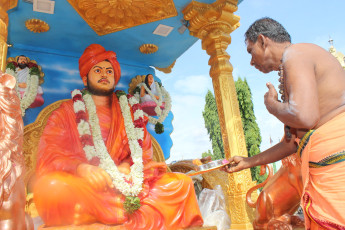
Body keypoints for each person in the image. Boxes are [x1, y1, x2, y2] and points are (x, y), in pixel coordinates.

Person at [33, 44, 203, 229]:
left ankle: (104, 217)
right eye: (97, 70)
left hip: (130, 187)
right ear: (85, 78)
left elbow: (144, 153)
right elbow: (50, 153)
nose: (104, 74)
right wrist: (81, 168)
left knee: (181, 184)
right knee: (50, 188)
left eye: (109, 71)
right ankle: (119, 215)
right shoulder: (65, 113)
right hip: (87, 186)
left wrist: (127, 166)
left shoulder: (130, 111)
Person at [223, 17, 345, 229]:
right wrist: (248, 161)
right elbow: (291, 143)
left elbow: (305, 117)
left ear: (263, 41)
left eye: (251, 52)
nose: (251, 62)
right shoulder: (291, 65)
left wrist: (272, 106)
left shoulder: (295, 54)